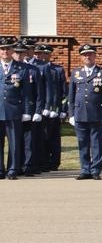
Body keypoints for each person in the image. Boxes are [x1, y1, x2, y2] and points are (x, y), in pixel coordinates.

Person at [65, 44, 102, 181]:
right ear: (81, 57)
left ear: (95, 56)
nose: (87, 57)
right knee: (83, 143)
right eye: (85, 55)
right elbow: (71, 97)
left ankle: (95, 170)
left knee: (97, 143)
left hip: (97, 114)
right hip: (80, 113)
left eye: (90, 54)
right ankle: (85, 169)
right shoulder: (76, 73)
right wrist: (71, 114)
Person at [0, 37, 35, 180]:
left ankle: (13, 169)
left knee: (14, 142)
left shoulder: (22, 68)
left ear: (12, 50)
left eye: (8, 48)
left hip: (14, 110)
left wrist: (27, 111)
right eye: (2, 49)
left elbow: (27, 93)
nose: (5, 51)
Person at [13, 40, 45, 176]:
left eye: (22, 53)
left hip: (29, 110)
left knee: (29, 141)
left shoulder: (32, 70)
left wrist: (37, 111)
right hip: (13, 110)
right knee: (15, 140)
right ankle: (15, 166)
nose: (19, 56)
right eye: (17, 53)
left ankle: (28, 166)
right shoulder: (9, 69)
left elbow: (39, 93)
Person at [36, 44, 66, 172]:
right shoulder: (35, 68)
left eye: (46, 54)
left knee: (53, 137)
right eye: (40, 53)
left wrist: (62, 110)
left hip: (54, 110)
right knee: (41, 137)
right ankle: (42, 162)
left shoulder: (57, 70)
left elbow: (63, 92)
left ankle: (54, 163)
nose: (42, 56)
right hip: (39, 109)